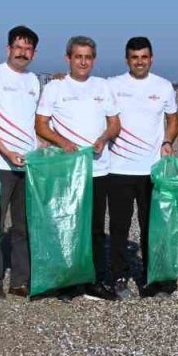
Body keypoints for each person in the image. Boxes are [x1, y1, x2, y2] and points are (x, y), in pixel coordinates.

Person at [35, 36, 122, 301]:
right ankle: (67, 282)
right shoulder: (55, 88)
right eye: (78, 56)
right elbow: (41, 125)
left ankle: (93, 281)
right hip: (67, 170)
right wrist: (64, 143)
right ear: (68, 58)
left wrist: (104, 138)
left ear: (93, 59)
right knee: (67, 225)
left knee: (96, 228)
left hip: (98, 169)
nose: (83, 62)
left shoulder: (103, 86)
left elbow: (115, 124)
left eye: (88, 57)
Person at [106, 37, 178, 299]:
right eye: (134, 57)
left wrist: (168, 141)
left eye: (144, 57)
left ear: (152, 58)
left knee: (151, 228)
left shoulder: (163, 86)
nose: (139, 61)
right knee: (119, 228)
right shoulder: (112, 85)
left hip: (152, 170)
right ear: (127, 60)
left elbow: (172, 120)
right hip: (118, 169)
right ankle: (118, 276)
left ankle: (151, 279)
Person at [0, 26, 41, 298]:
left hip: (27, 165)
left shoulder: (34, 81)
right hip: (1, 164)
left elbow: (35, 123)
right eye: (18, 47)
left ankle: (19, 280)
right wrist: (4, 152)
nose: (22, 53)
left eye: (28, 49)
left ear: (34, 53)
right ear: (8, 49)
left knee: (23, 226)